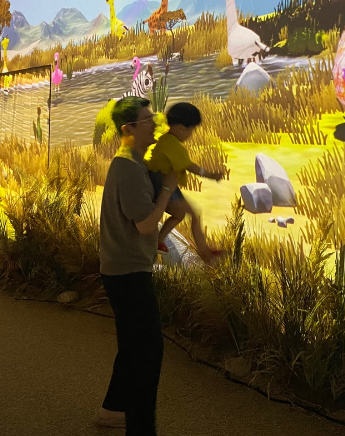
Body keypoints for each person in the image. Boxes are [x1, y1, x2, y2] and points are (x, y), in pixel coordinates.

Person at [96, 96, 177, 434]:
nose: (154, 124)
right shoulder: (128, 167)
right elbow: (144, 224)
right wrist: (168, 189)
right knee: (147, 352)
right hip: (128, 272)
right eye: (147, 120)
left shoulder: (133, 163)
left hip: (124, 268)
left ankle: (113, 409)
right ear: (128, 128)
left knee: (133, 346)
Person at [146, 102, 223, 262]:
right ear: (180, 128)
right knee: (193, 214)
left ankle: (159, 240)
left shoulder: (166, 140)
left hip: (166, 184)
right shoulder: (172, 144)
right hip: (163, 186)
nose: (191, 134)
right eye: (190, 130)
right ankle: (205, 253)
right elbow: (189, 166)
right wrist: (210, 175)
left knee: (180, 214)